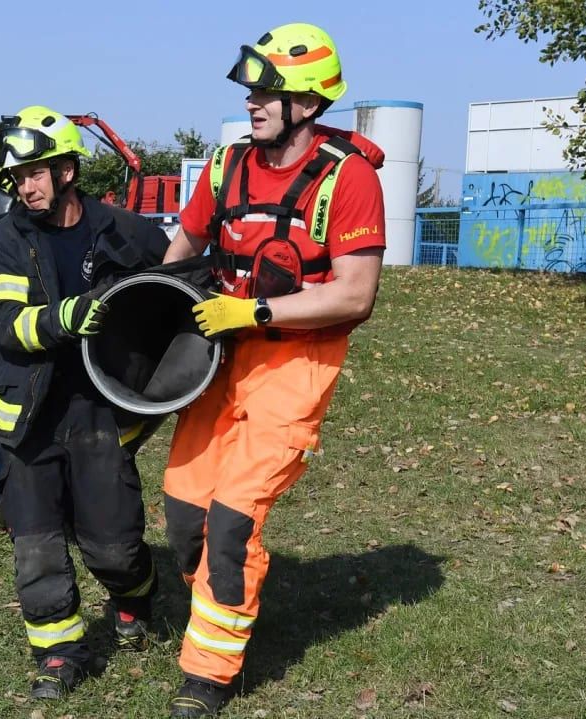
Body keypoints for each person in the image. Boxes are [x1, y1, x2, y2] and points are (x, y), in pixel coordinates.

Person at [160, 23, 386, 717]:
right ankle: (220, 603)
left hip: (295, 362)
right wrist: (157, 321)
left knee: (233, 518)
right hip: (218, 358)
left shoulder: (348, 179)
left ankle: (208, 675)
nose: (254, 101)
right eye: (252, 89)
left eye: (268, 90)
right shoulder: (228, 165)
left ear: (308, 103)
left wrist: (253, 313)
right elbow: (185, 244)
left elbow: (355, 292)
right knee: (183, 511)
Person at [0, 105, 170, 699]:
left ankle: (134, 601)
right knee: (36, 545)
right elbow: (2, 324)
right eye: (17, 177)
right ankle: (59, 653)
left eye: (35, 173)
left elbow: (169, 285)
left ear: (67, 170)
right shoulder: (5, 238)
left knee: (113, 544)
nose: (25, 187)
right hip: (32, 414)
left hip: (99, 412)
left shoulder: (122, 230)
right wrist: (66, 317)